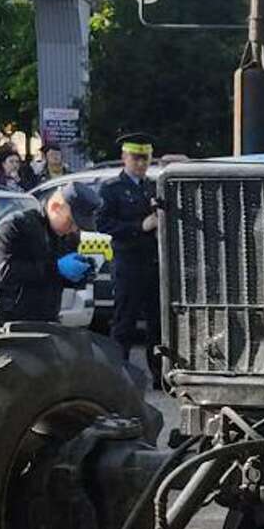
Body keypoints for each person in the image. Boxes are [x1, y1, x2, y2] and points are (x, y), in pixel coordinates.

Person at [0, 180, 100, 324]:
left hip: (44, 317)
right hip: (5, 318)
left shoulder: (68, 236)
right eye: (71, 222)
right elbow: (8, 271)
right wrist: (57, 268)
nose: (74, 229)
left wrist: (80, 275)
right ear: (56, 207)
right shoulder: (16, 226)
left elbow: (54, 279)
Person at [101, 133, 162, 364]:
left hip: (152, 263)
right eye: (136, 158)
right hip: (128, 263)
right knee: (124, 322)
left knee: (157, 324)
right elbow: (104, 224)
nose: (141, 164)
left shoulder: (153, 186)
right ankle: (118, 373)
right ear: (124, 157)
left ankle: (158, 375)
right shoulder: (112, 189)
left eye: (145, 159)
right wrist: (140, 226)